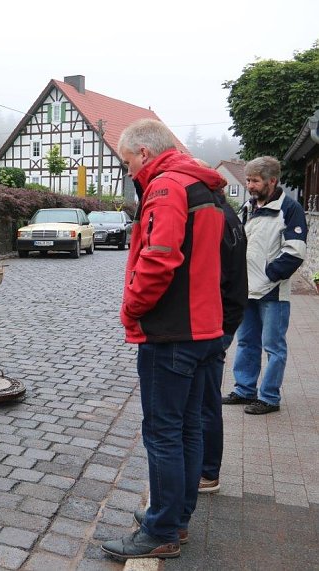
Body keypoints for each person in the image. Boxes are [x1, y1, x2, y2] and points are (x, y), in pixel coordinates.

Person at [101, 119, 226, 560]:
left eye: (128, 160)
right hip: (204, 326)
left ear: (145, 153)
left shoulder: (166, 187)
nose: (129, 168)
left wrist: (132, 307)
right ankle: (177, 516)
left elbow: (158, 258)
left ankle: (161, 531)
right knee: (189, 427)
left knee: (163, 433)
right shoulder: (204, 186)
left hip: (172, 330)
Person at [223, 156, 307, 415]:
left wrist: (270, 275)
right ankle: (244, 389)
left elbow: (295, 252)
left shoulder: (290, 209)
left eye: (255, 181)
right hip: (246, 290)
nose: (250, 185)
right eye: (248, 180)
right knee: (247, 342)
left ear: (272, 181)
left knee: (273, 346)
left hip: (272, 292)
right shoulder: (248, 208)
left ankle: (269, 397)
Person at [197, 160, 248, 494]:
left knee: (204, 403)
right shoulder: (230, 217)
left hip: (215, 324)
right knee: (206, 401)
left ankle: (207, 473)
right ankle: (206, 470)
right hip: (225, 320)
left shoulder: (217, 219)